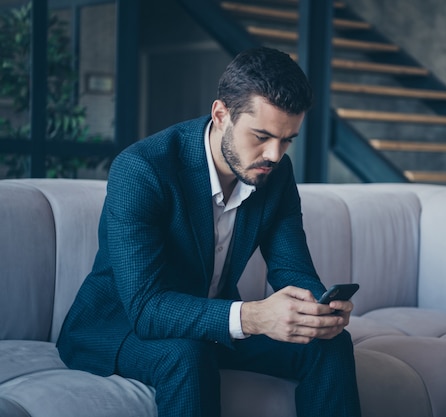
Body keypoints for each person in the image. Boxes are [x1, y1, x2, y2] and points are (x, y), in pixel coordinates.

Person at [56, 47, 361, 417]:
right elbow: (146, 308)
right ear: (221, 115)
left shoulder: (275, 174)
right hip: (117, 326)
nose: (275, 154)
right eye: (262, 136)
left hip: (213, 322)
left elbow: (291, 269)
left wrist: (317, 311)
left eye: (287, 140)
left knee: (329, 344)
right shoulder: (142, 170)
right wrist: (252, 317)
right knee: (187, 353)